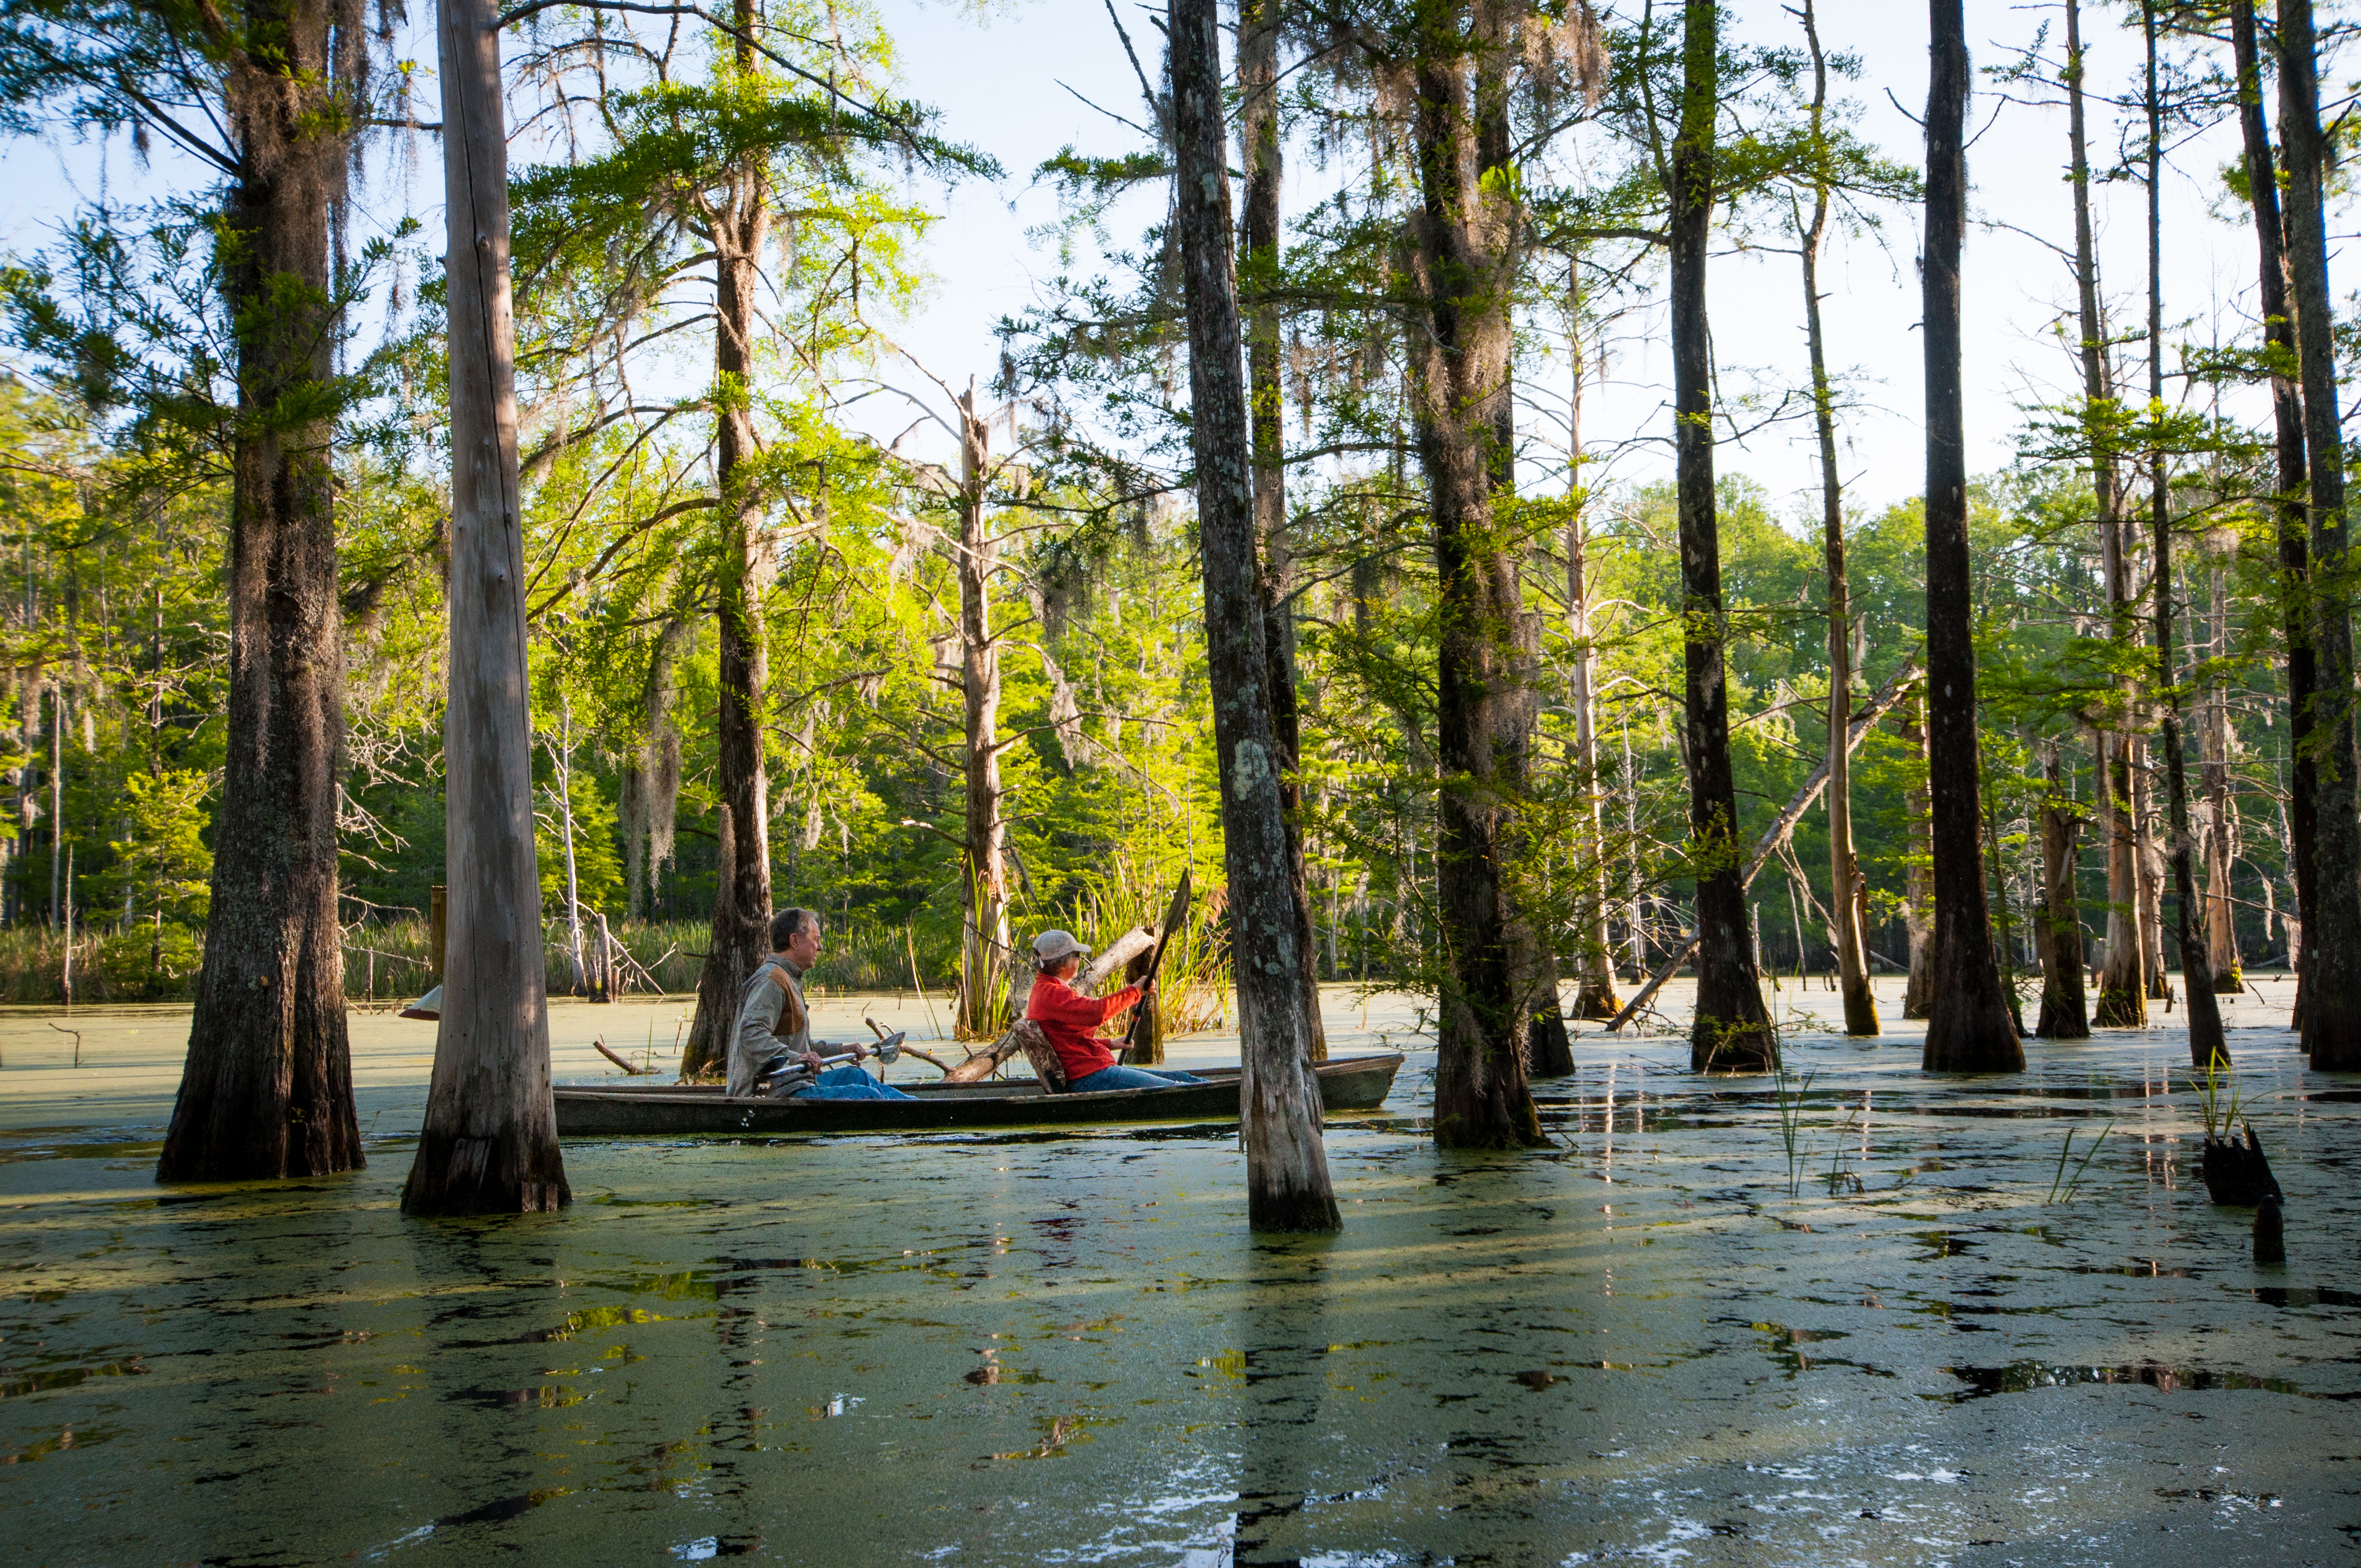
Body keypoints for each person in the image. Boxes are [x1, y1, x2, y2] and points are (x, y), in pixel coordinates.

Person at [729, 908, 914, 1101]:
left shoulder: (789, 978)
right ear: (794, 941)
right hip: (773, 1091)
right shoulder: (771, 980)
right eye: (815, 939)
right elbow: (751, 1034)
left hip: (797, 1082)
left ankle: (919, 1106)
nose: (820, 947)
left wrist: (840, 1050)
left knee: (856, 1076)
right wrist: (798, 1058)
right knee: (867, 1096)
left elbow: (800, 1047)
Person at [1024, 928, 1205, 1093]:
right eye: (1077, 955)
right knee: (1180, 1089)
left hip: (1089, 1072)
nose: (1080, 959)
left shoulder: (1044, 990)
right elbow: (1097, 1013)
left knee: (1182, 1078)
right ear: (1063, 964)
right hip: (1088, 1077)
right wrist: (1135, 991)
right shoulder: (1054, 994)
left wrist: (1109, 1044)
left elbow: (1066, 1040)